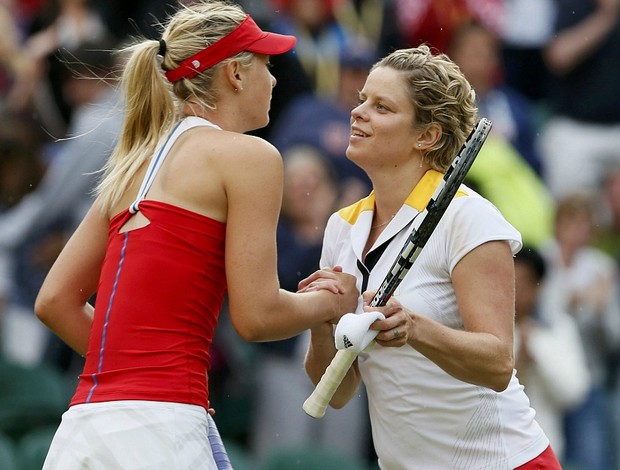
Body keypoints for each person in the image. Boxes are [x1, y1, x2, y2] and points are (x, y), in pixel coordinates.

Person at [33, 2, 358, 469]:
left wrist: (134, 368)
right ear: (236, 75)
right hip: (163, 429)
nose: (275, 79)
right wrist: (331, 303)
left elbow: (55, 301)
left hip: (84, 429)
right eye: (267, 64)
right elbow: (257, 316)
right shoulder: (251, 158)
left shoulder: (134, 163)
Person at [302, 45, 562, 469]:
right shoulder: (341, 227)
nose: (359, 112)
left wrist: (414, 327)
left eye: (382, 107)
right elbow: (339, 391)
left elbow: (498, 364)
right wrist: (321, 321)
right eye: (361, 100)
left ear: (427, 135)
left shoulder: (469, 217)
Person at [513, 245, 590, 463]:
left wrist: (536, 354)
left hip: (545, 448)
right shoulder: (485, 327)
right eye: (511, 280)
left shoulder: (559, 327)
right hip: (495, 451)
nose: (516, 290)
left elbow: (574, 391)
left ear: (538, 286)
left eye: (523, 283)